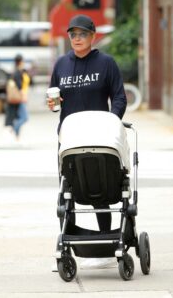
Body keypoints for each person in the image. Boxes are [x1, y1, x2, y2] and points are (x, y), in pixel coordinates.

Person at [47, 14, 127, 269]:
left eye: (82, 34)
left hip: (99, 135)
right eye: (73, 34)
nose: (77, 38)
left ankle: (108, 242)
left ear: (93, 36)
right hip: (69, 137)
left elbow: (119, 98)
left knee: (100, 188)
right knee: (70, 189)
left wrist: (111, 122)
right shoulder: (61, 64)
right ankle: (71, 242)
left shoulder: (106, 63)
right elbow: (54, 100)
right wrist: (52, 104)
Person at [5, 54, 30, 141]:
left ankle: (17, 136)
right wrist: (23, 97)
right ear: (20, 62)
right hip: (21, 98)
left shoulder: (21, 71)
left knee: (19, 116)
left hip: (22, 97)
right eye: (23, 61)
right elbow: (20, 87)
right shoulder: (17, 73)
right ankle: (14, 129)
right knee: (24, 117)